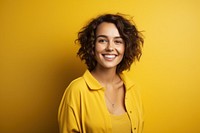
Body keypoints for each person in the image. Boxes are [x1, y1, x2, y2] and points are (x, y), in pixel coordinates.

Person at [58, 13, 144, 133]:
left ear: (126, 47)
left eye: (118, 41)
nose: (110, 47)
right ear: (92, 45)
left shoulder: (133, 89)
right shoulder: (77, 90)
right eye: (102, 40)